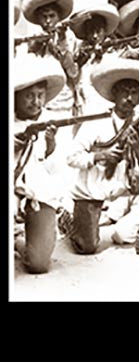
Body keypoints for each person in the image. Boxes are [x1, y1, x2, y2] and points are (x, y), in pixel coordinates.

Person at [66, 58, 139, 261]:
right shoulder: (96, 121)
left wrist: (138, 148)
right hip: (92, 189)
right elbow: (71, 157)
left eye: (134, 93)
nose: (129, 98)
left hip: (125, 186)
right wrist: (100, 156)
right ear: (114, 94)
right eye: (124, 91)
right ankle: (67, 220)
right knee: (87, 247)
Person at [13, 56, 68, 273]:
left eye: (40, 96)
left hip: (39, 195)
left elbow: (57, 171)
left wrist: (51, 144)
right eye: (29, 96)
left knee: (38, 264)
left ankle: (18, 240)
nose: (36, 102)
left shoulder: (50, 122)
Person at [19, 0, 81, 117]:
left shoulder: (69, 38)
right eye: (44, 16)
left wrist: (62, 43)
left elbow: (72, 72)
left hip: (64, 98)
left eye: (52, 16)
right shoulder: (33, 38)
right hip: (39, 99)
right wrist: (36, 45)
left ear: (58, 17)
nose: (48, 21)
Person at [71, 4, 121, 112]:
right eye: (90, 31)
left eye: (98, 31)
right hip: (82, 105)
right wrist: (80, 63)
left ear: (105, 31)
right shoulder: (79, 51)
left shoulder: (113, 53)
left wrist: (99, 58)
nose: (94, 36)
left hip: (103, 106)